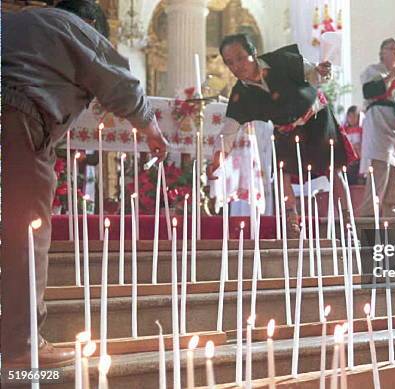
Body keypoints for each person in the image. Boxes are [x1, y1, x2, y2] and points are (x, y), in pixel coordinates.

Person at [1, 0, 168, 368]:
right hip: (15, 120)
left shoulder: (17, 22)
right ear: (91, 23)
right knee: (25, 234)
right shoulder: (76, 26)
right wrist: (152, 130)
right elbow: (119, 80)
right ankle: (21, 346)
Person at [206, 34, 357, 235]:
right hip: (285, 129)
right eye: (230, 62)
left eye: (241, 58)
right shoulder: (240, 95)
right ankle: (292, 221)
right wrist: (217, 161)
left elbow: (313, 74)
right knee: (282, 173)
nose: (236, 66)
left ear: (253, 53)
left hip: (316, 117)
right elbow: (228, 132)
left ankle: (347, 220)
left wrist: (322, 72)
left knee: (333, 169)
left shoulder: (281, 60)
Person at [358, 37, 395, 219]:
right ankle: (369, 215)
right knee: (380, 168)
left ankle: (392, 211)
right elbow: (369, 92)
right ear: (382, 52)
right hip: (378, 123)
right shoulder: (373, 71)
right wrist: (391, 76)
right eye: (391, 48)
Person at [342, 105, 365, 185]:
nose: (351, 119)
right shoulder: (344, 130)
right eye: (349, 116)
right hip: (348, 161)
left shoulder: (362, 129)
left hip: (359, 161)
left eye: (354, 116)